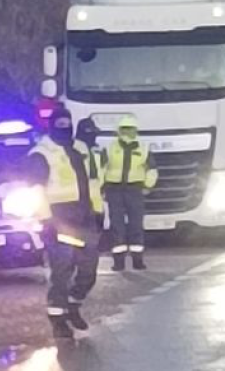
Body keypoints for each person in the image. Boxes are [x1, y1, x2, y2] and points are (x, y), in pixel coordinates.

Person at [27, 107, 105, 339]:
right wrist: (45, 220)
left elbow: (93, 183)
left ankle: (73, 304)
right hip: (58, 219)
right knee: (61, 270)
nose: (64, 127)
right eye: (59, 124)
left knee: (89, 270)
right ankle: (58, 318)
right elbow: (36, 190)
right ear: (50, 125)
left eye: (67, 123)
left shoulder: (81, 149)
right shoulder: (41, 153)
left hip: (84, 217)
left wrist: (99, 212)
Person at [103, 115, 157, 271]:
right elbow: (101, 169)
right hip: (115, 189)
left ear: (136, 130)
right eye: (124, 129)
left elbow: (152, 169)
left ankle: (137, 261)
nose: (127, 132)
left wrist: (148, 185)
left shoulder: (143, 148)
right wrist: (101, 189)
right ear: (118, 131)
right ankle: (118, 262)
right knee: (116, 226)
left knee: (136, 225)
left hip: (134, 190)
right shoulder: (110, 148)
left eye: (130, 129)